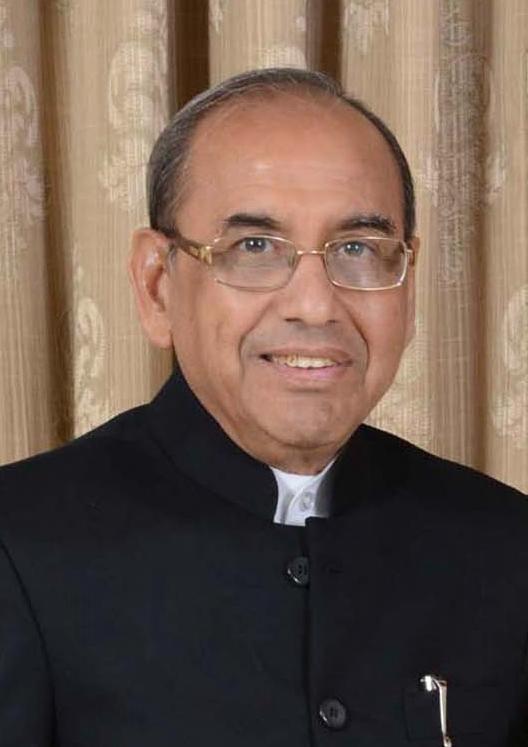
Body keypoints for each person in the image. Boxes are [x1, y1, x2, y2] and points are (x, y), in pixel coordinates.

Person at [0, 68, 526, 746]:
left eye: (358, 249)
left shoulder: (506, 547)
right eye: (254, 247)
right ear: (158, 285)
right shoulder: (19, 547)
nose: (315, 304)